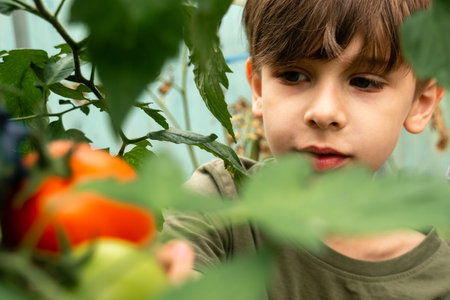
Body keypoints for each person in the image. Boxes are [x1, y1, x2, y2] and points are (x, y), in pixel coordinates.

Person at [158, 0, 450, 298]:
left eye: (363, 82)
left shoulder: (439, 280)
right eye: (294, 76)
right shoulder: (219, 207)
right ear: (258, 87)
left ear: (421, 103)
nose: (324, 113)